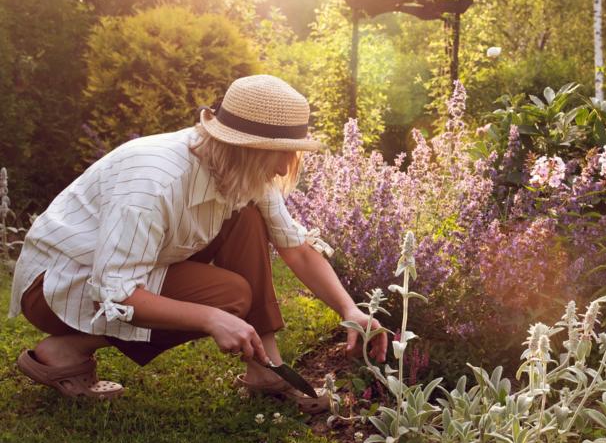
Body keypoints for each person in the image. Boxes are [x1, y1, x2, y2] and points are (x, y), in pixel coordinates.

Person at [8, 74, 387, 413]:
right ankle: (69, 349)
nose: (284, 167)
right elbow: (117, 292)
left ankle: (266, 369)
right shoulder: (155, 182)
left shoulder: (238, 169)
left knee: (250, 219)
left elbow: (295, 247)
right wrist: (210, 317)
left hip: (123, 270)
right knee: (229, 297)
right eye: (281, 153)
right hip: (58, 285)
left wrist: (348, 309)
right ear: (247, 147)